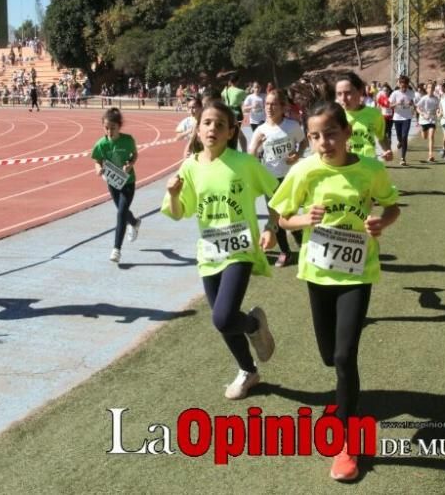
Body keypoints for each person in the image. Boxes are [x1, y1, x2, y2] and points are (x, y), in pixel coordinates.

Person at [269, 101, 400, 481]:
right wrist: (299, 220)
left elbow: (392, 207)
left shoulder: (371, 170)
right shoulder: (304, 170)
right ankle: (346, 396)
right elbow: (282, 217)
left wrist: (381, 222)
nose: (323, 142)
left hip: (358, 273)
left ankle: (346, 445)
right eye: (314, 136)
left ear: (345, 132)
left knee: (345, 357)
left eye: (330, 133)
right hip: (318, 272)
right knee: (328, 356)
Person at [162, 101, 279, 400]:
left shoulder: (244, 163)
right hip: (209, 252)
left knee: (223, 318)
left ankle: (253, 325)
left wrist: (271, 227)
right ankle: (248, 370)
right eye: (207, 123)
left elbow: (275, 193)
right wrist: (173, 194)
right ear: (198, 129)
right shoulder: (189, 166)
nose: (213, 128)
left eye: (220, 124)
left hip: (240, 249)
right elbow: (178, 212)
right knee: (223, 321)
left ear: (230, 132)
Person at [248, 89, 307, 267]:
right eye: (267, 104)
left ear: (283, 107)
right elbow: (250, 157)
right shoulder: (260, 130)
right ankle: (285, 252)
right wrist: (257, 145)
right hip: (270, 180)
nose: (269, 107)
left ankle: (304, 245)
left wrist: (297, 153)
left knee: (288, 214)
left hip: (289, 178)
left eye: (274, 104)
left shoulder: (292, 126)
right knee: (274, 216)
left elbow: (303, 142)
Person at [91, 108, 141, 264]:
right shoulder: (101, 144)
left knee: (120, 213)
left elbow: (134, 155)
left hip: (128, 182)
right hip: (113, 183)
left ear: (119, 126)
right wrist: (99, 169)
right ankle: (134, 222)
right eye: (106, 128)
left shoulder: (128, 140)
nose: (109, 131)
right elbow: (97, 160)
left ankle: (116, 250)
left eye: (112, 128)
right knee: (122, 211)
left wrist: (130, 164)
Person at [334, 72, 392, 162]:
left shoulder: (374, 114)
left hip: (369, 165)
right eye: (339, 94)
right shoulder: (334, 116)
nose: (343, 98)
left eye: (348, 93)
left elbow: (382, 137)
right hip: (345, 166)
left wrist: (388, 150)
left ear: (360, 91)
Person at [388, 76, 417, 166]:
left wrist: (412, 104)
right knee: (399, 137)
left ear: (407, 85)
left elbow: (415, 104)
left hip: (407, 118)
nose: (403, 86)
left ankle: (403, 158)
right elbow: (389, 105)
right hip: (397, 118)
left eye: (405, 85)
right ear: (399, 84)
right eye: (401, 84)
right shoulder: (395, 93)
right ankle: (400, 142)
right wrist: (397, 103)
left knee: (404, 137)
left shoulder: (411, 93)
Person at [221, 74, 248, 149]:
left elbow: (221, 96)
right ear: (237, 81)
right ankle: (241, 150)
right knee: (237, 133)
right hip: (236, 113)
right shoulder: (241, 91)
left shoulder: (225, 90)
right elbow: (245, 99)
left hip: (227, 112)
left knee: (230, 131)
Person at [416, 81, 441, 163]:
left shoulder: (436, 99)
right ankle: (422, 131)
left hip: (432, 120)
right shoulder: (424, 98)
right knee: (424, 137)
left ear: (434, 89)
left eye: (432, 88)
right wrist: (423, 114)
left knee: (431, 136)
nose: (431, 89)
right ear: (426, 89)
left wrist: (438, 113)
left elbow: (438, 108)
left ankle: (430, 155)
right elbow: (418, 108)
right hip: (423, 120)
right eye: (429, 88)